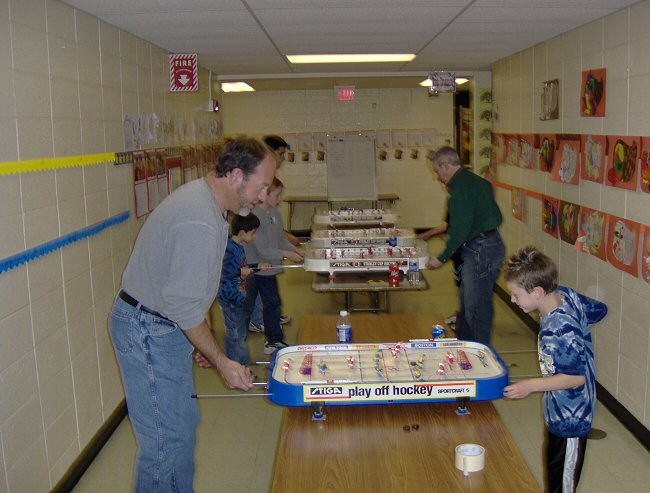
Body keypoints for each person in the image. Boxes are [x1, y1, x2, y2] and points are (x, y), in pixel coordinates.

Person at [108, 136, 276, 492]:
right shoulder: (198, 219)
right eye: (261, 187)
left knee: (181, 430)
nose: (262, 197)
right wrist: (222, 360)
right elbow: (182, 303)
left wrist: (203, 339)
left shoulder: (210, 206)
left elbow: (196, 289)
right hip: (149, 331)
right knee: (166, 444)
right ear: (235, 176)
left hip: (165, 325)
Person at [502, 246, 607, 493]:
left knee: (562, 483)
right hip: (559, 408)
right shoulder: (565, 295)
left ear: (537, 292)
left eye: (516, 295)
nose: (512, 300)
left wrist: (529, 385)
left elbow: (576, 377)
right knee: (555, 474)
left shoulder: (558, 330)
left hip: (571, 417)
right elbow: (599, 310)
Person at [424, 146, 505, 344]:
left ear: (445, 166)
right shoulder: (477, 181)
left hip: (480, 250)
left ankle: (480, 354)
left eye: (437, 171)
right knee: (469, 303)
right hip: (490, 244)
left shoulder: (460, 189)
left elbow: (459, 229)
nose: (437, 177)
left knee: (476, 307)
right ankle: (466, 346)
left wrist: (441, 258)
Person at [244, 177, 303, 354]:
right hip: (256, 269)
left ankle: (273, 339)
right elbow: (262, 249)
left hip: (269, 269)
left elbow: (280, 240)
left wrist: (298, 252)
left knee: (272, 303)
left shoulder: (275, 215)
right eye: (277, 195)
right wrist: (287, 254)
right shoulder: (255, 216)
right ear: (265, 195)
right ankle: (247, 342)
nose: (280, 199)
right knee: (250, 306)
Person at [248, 134, 298, 333]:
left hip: (268, 264)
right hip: (256, 265)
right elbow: (261, 244)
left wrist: (289, 246)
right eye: (281, 153)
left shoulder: (273, 212)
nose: (283, 158)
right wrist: (287, 252)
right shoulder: (257, 207)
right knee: (255, 297)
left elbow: (274, 232)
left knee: (271, 299)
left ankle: (269, 319)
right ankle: (259, 320)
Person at [217, 213, 271, 365]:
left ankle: (242, 365)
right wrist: (241, 272)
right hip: (229, 297)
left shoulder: (238, 247)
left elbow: (241, 268)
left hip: (238, 296)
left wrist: (257, 267)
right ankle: (238, 367)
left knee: (240, 333)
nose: (254, 237)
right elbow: (222, 272)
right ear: (242, 232)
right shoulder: (229, 248)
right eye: (253, 233)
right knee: (236, 335)